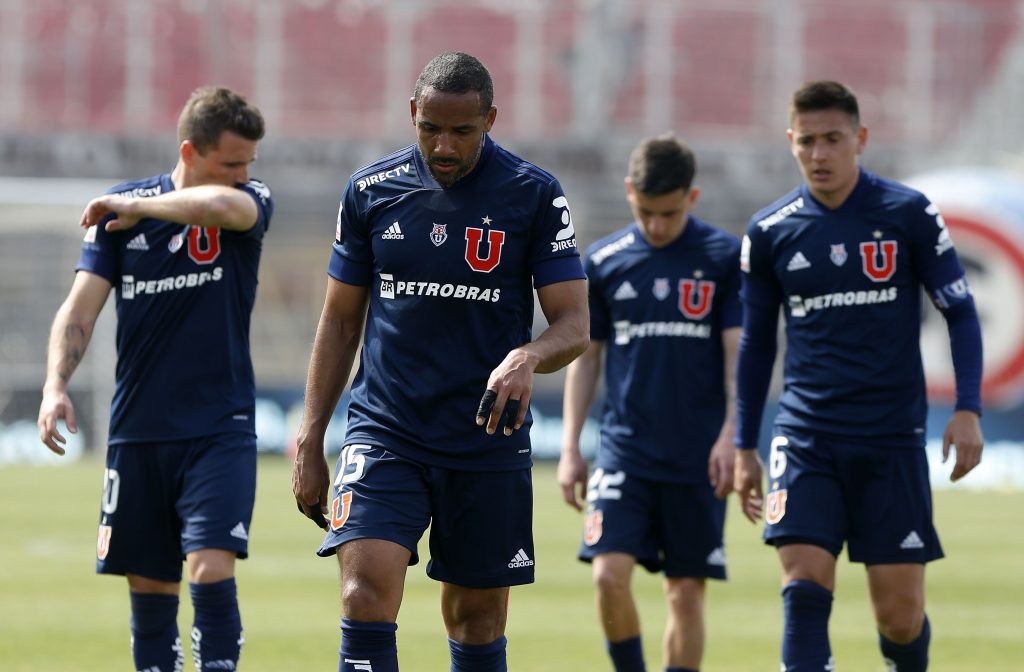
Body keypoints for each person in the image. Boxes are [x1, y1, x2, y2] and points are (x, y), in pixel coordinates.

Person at [291, 51, 589, 672]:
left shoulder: (533, 195)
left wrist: (528, 356)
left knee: (476, 621)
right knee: (363, 591)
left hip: (485, 438)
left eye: (462, 131)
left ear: (491, 120)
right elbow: (342, 318)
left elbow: (574, 324)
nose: (444, 145)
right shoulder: (371, 191)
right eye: (430, 128)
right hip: (386, 428)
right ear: (412, 115)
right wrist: (311, 435)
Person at [733, 80, 984, 671]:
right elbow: (755, 344)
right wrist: (745, 442)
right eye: (807, 142)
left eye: (833, 140)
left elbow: (960, 310)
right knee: (803, 586)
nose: (819, 154)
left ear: (860, 139)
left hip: (889, 438)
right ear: (791, 142)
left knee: (899, 619)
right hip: (806, 436)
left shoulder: (908, 213)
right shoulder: (770, 231)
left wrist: (968, 408)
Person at [38, 86, 273, 672]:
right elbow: (80, 309)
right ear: (191, 151)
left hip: (220, 427)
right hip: (140, 429)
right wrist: (54, 386)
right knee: (149, 586)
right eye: (230, 163)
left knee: (211, 565)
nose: (244, 174)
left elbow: (224, 209)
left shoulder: (245, 199)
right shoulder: (123, 207)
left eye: (248, 163)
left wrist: (143, 210)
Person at [558, 134, 741, 672]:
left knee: (685, 594)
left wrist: (733, 432)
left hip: (697, 455)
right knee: (607, 575)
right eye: (645, 212)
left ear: (693, 196)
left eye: (669, 212)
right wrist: (570, 446)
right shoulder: (606, 261)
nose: (656, 225)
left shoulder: (725, 258)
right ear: (629, 192)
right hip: (625, 452)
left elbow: (738, 354)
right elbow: (585, 359)